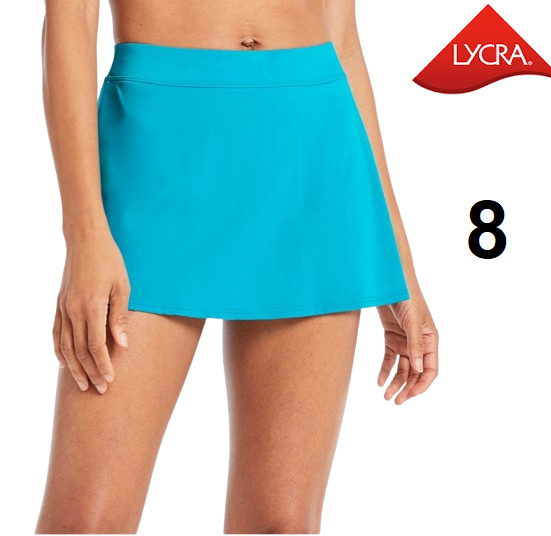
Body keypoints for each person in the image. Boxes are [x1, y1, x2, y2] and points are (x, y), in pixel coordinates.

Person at [36, 0, 439, 532]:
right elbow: (71, 15)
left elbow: (342, 40)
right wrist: (84, 235)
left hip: (310, 152)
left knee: (280, 523)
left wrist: (398, 269)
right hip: (157, 151)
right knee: (85, 522)